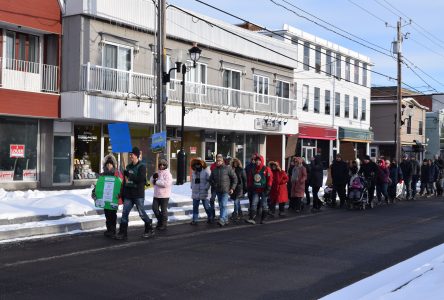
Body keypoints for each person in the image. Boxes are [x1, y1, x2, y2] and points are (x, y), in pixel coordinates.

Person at [116, 147, 154, 240]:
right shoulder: (128, 167)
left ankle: (149, 227)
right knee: (125, 213)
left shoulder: (142, 167)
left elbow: (141, 179)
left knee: (141, 213)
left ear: (137, 156)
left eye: (132, 155)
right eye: (130, 154)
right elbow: (125, 182)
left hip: (138, 193)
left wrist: (130, 175)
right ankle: (123, 232)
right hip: (128, 193)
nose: (130, 156)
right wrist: (122, 193)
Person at [91, 154, 123, 238]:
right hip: (105, 199)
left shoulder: (117, 174)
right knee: (107, 214)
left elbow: (121, 185)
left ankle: (112, 230)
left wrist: (121, 194)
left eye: (110, 164)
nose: (109, 166)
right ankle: (109, 229)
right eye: (107, 164)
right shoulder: (102, 175)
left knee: (112, 214)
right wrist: (94, 192)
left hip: (113, 199)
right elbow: (98, 186)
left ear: (113, 165)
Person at [209, 155, 237, 227]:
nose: (218, 162)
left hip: (225, 190)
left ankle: (221, 219)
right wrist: (214, 185)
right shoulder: (214, 170)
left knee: (223, 205)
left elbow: (235, 178)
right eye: (217, 161)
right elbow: (210, 179)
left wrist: (232, 188)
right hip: (218, 190)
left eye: (220, 161)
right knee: (221, 205)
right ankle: (225, 219)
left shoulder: (227, 168)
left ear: (222, 161)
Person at [246, 154, 273, 224]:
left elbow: (270, 179)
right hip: (256, 190)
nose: (257, 162)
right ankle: (252, 218)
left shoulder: (266, 169)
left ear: (262, 161)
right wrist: (249, 187)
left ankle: (264, 218)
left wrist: (268, 188)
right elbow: (250, 179)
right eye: (256, 160)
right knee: (254, 203)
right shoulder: (253, 169)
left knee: (264, 204)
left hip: (264, 190)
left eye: (259, 160)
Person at [150, 158, 173, 231]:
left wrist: (157, 182)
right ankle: (160, 221)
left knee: (163, 210)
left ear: (166, 165)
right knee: (154, 208)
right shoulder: (157, 172)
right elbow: (151, 180)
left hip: (164, 195)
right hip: (156, 194)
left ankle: (163, 224)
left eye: (163, 165)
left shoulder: (167, 174)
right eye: (160, 164)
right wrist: (153, 178)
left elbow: (166, 184)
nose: (162, 166)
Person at [190, 157, 212, 225]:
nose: (197, 165)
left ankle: (210, 217)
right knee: (195, 207)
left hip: (204, 191)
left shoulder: (206, 171)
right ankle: (195, 220)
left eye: (199, 164)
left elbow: (210, 180)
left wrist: (206, 187)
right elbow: (192, 180)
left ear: (201, 164)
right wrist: (192, 186)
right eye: (196, 164)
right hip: (195, 192)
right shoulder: (194, 172)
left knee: (206, 206)